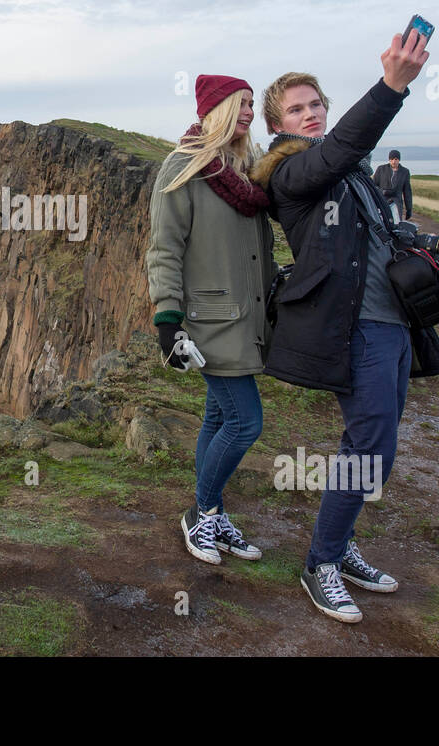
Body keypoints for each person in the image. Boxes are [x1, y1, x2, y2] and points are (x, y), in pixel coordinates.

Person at [249, 31, 439, 624]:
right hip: (351, 330)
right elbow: (340, 148)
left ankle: (341, 544)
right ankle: (321, 562)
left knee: (378, 451)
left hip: (392, 325)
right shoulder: (294, 173)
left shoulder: (353, 173)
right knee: (366, 446)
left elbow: (373, 225)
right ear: (277, 125)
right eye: (296, 108)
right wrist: (391, 87)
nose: (310, 113)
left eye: (317, 104)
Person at [146, 75, 276, 567]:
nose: (247, 112)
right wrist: (168, 320)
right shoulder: (184, 167)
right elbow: (164, 248)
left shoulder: (243, 172)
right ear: (215, 110)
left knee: (219, 417)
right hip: (211, 321)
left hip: (247, 318)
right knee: (245, 422)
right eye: (239, 105)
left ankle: (214, 513)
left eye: (250, 105)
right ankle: (200, 514)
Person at [372, 150, 412, 223]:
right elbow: (373, 186)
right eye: (391, 159)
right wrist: (382, 191)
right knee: (381, 223)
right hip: (382, 201)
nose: (393, 162)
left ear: (399, 160)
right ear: (389, 159)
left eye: (396, 159)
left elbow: (407, 192)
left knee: (396, 224)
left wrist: (409, 209)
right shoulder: (381, 169)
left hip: (396, 202)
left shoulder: (405, 172)